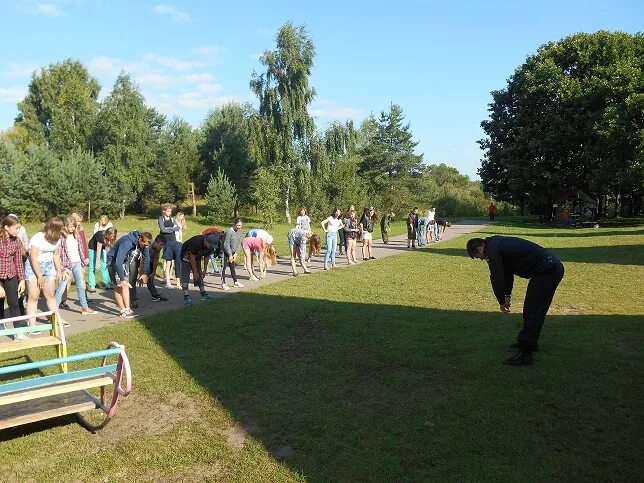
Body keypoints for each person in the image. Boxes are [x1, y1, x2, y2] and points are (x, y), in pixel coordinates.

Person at [466, 236, 565, 365]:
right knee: (533, 310)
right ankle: (529, 343)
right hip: (548, 269)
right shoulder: (496, 245)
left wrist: (501, 301)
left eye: (478, 256)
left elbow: (497, 277)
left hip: (548, 271)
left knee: (532, 311)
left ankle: (525, 353)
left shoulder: (492, 250)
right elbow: (506, 273)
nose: (481, 259)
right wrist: (506, 296)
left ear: (480, 249)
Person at [25, 218, 64, 331]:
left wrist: (59, 270)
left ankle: (57, 321)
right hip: (34, 267)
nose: (61, 232)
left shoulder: (57, 239)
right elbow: (33, 257)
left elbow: (56, 255)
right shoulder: (38, 237)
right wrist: (39, 276)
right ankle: (32, 326)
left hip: (49, 267)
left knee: (50, 296)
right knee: (33, 296)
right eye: (59, 229)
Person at [54, 216, 96, 316]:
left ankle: (84, 307)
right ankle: (53, 311)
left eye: (74, 226)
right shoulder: (61, 237)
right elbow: (59, 253)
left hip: (77, 263)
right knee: (61, 287)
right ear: (65, 226)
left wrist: (83, 261)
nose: (72, 228)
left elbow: (80, 248)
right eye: (70, 227)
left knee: (81, 285)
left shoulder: (76, 235)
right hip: (66, 265)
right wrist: (62, 268)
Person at [106, 231, 152, 319]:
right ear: (140, 240)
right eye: (145, 245)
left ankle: (127, 309)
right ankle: (123, 311)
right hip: (113, 261)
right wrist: (122, 278)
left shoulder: (144, 243)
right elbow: (118, 261)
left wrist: (145, 273)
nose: (146, 247)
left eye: (147, 245)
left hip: (124, 261)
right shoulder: (126, 242)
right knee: (119, 286)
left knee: (126, 285)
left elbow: (147, 257)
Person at [0, 215, 27, 335]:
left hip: (11, 275)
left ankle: (18, 332)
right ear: (6, 227)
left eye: (19, 228)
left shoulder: (16, 241)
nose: (18, 231)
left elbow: (18, 261)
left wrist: (21, 279)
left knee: (14, 303)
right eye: (16, 228)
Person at [129, 235, 168, 307]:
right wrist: (141, 274)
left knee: (150, 278)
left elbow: (156, 260)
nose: (162, 247)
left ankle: (155, 296)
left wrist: (153, 273)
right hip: (137, 260)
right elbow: (141, 260)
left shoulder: (158, 248)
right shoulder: (148, 246)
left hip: (148, 262)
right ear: (156, 242)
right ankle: (132, 299)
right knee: (133, 280)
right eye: (161, 245)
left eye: (163, 245)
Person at [180, 233, 218, 305]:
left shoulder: (210, 246)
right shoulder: (197, 242)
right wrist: (194, 272)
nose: (211, 247)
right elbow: (192, 258)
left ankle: (204, 294)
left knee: (199, 275)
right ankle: (186, 297)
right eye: (210, 245)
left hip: (197, 256)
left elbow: (206, 257)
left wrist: (205, 270)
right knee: (186, 275)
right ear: (206, 242)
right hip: (186, 255)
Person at [158, 204, 182, 290]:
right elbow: (163, 230)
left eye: (170, 211)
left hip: (174, 241)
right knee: (168, 263)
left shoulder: (172, 219)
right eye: (168, 211)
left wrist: (169, 228)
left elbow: (178, 228)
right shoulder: (161, 219)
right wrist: (171, 229)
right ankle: (168, 282)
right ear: (164, 211)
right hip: (166, 243)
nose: (169, 212)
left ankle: (178, 283)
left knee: (177, 262)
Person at [87, 227, 117, 292]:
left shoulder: (111, 237)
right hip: (93, 248)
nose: (112, 237)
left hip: (102, 248)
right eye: (111, 236)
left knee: (104, 265)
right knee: (92, 266)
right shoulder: (101, 235)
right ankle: (92, 285)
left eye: (113, 236)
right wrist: (98, 262)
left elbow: (112, 246)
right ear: (107, 234)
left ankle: (107, 284)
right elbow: (98, 250)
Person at [221, 218, 244, 291]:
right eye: (238, 225)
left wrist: (236, 253)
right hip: (225, 251)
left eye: (240, 225)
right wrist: (230, 254)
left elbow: (239, 243)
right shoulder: (229, 232)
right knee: (224, 267)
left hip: (233, 251)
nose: (239, 227)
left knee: (232, 266)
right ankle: (223, 283)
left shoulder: (239, 232)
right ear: (234, 224)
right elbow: (226, 244)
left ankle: (235, 282)